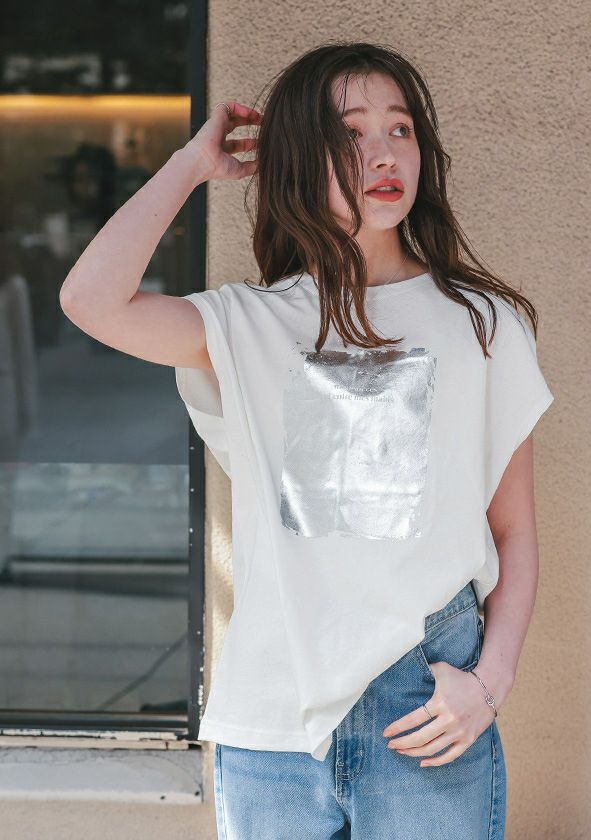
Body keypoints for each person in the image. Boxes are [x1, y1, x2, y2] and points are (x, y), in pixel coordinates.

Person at [60, 41, 555, 840]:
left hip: (426, 708)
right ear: (298, 157)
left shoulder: (480, 325)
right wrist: (190, 165)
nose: (383, 153)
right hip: (272, 725)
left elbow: (515, 531)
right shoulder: (248, 324)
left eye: (400, 129)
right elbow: (90, 299)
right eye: (349, 133)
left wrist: (489, 684)